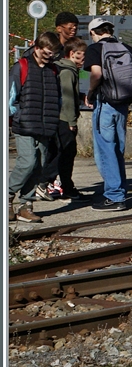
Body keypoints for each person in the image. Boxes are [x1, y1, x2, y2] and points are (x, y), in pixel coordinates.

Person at [83, 18, 132, 212]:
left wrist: (90, 92)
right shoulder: (126, 48)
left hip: (105, 104)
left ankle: (114, 196)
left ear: (93, 33)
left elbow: (97, 74)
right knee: (118, 151)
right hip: (123, 105)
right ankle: (120, 190)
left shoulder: (95, 49)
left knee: (105, 151)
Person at [8, 31, 63, 223]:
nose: (51, 56)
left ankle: (26, 205)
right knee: (27, 162)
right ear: (37, 48)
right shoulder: (21, 67)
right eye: (47, 53)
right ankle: (7, 195)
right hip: (24, 124)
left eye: (53, 53)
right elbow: (10, 97)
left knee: (39, 166)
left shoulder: (53, 70)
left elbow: (57, 97)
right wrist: (16, 116)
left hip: (46, 125)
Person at [39, 39, 86, 202]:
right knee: (64, 153)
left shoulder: (66, 68)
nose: (84, 59)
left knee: (62, 152)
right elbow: (67, 99)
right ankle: (46, 183)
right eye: (81, 55)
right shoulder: (67, 71)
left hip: (59, 118)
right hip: (64, 119)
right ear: (72, 54)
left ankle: (62, 185)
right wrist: (71, 122)